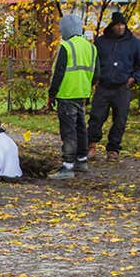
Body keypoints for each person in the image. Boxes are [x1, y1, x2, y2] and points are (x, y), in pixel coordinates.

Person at [88, 11, 140, 162]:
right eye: (117, 25)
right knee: (96, 117)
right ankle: (91, 145)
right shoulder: (101, 42)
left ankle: (113, 149)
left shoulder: (134, 44)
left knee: (120, 119)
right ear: (112, 26)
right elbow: (93, 62)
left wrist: (135, 78)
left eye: (123, 25)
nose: (120, 27)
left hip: (123, 87)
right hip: (103, 86)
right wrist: (94, 79)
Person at [46, 14, 98, 179]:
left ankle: (67, 166)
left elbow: (58, 74)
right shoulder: (91, 48)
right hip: (82, 94)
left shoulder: (66, 47)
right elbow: (97, 74)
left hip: (66, 94)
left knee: (68, 131)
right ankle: (82, 161)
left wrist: (51, 94)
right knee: (81, 129)